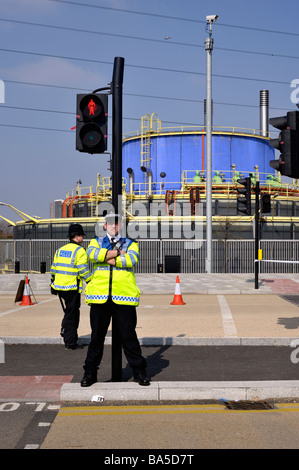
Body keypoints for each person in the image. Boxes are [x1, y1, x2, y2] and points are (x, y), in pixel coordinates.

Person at [81, 213, 150, 387]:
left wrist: (107, 257)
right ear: (105, 226)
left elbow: (131, 260)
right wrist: (118, 253)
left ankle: (139, 372)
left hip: (123, 297)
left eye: (117, 223)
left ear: (121, 226)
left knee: (129, 337)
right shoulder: (95, 241)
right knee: (97, 337)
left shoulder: (132, 243)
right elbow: (92, 255)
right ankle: (90, 374)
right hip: (99, 297)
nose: (114, 226)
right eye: (110, 223)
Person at [51, 223, 92, 350]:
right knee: (73, 314)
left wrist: (52, 283)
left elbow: (53, 269)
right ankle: (70, 342)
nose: (83, 238)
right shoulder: (80, 250)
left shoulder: (60, 250)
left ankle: (65, 330)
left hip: (59, 286)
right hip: (71, 287)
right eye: (82, 235)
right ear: (76, 236)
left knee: (69, 312)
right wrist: (91, 280)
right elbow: (83, 269)